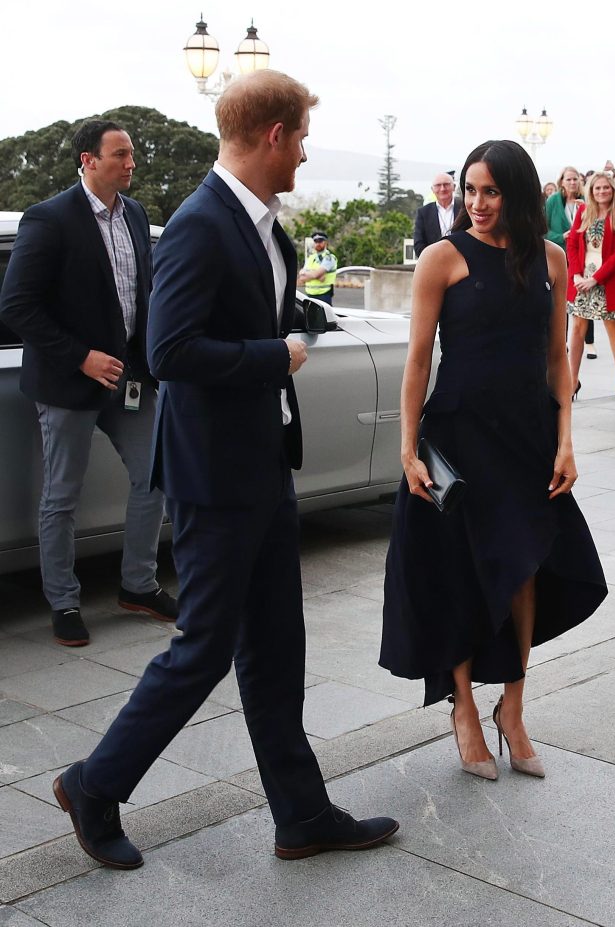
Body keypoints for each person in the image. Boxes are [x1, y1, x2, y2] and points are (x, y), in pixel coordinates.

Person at [51, 71, 398, 870]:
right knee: (204, 646)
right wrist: (274, 354)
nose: (306, 154)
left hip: (264, 463)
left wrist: (289, 324)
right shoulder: (203, 224)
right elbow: (169, 351)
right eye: (303, 139)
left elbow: (250, 313)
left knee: (277, 645)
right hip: (216, 476)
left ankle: (302, 814)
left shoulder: (264, 228)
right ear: (273, 134)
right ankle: (94, 783)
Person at [380, 140, 607, 782]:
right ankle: (465, 713)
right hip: (457, 437)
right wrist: (406, 449)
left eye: (491, 191)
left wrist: (566, 439)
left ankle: (513, 706)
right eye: (470, 190)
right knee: (461, 571)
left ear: (516, 193)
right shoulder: (441, 259)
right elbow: (419, 362)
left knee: (526, 566)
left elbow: (556, 358)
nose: (477, 204)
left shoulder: (552, 260)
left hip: (528, 436)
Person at [0, 120, 177, 648]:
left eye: (131, 154)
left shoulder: (137, 214)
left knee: (155, 477)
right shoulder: (48, 219)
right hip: (67, 383)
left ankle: (138, 585)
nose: (131, 163)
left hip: (130, 382)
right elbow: (17, 305)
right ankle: (64, 601)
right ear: (87, 160)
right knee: (62, 497)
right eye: (120, 154)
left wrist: (150, 362)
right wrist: (81, 358)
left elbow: (141, 296)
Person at [567, 172, 615, 399]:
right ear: (591, 191)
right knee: (576, 329)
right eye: (597, 188)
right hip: (580, 278)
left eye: (606, 187)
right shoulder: (583, 212)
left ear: (613, 189)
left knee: (612, 327)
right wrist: (576, 275)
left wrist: (596, 278)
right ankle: (572, 380)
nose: (602, 191)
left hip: (607, 279)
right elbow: (573, 243)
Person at [544, 166, 596, 358]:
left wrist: (588, 210)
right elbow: (543, 229)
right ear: (562, 182)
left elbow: (596, 229)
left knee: (584, 298)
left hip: (583, 257)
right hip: (559, 256)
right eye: (569, 179)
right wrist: (561, 236)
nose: (572, 182)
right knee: (560, 301)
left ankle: (589, 342)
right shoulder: (553, 201)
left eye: (575, 179)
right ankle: (561, 341)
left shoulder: (587, 200)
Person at [413, 172, 462, 256]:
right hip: (434, 263)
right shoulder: (424, 213)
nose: (442, 189)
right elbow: (418, 244)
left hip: (462, 262)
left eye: (446, 184)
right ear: (432, 189)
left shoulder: (464, 208)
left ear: (454, 187)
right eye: (438, 185)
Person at [297, 230, 338, 304]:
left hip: (323, 295)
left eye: (320, 241)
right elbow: (302, 278)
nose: (318, 244)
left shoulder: (329, 258)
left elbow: (316, 274)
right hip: (309, 295)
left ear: (325, 243)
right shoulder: (311, 258)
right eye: (316, 241)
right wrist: (317, 276)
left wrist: (307, 274)